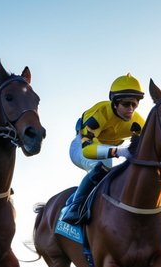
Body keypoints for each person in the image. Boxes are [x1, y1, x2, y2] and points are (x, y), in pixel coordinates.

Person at [59, 74, 146, 225]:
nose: (131, 109)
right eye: (126, 104)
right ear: (114, 103)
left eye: (135, 104)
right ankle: (74, 208)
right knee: (101, 168)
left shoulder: (137, 122)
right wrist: (117, 151)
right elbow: (87, 150)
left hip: (108, 150)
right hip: (83, 147)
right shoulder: (100, 113)